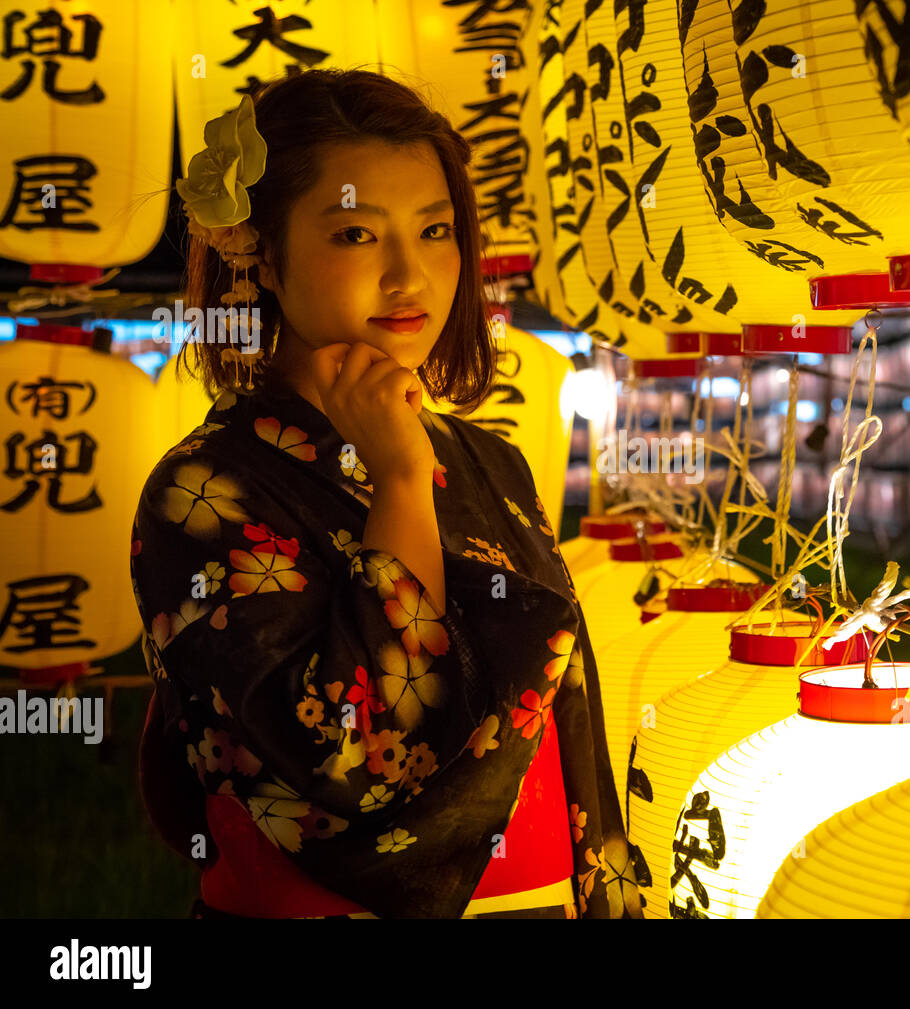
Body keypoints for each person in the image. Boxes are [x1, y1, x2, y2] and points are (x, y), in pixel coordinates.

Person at [130, 68, 642, 919]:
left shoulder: (490, 460)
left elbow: (571, 725)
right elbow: (362, 755)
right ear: (260, 253)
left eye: (436, 230)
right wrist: (401, 480)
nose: (411, 274)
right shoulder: (203, 489)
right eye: (357, 234)